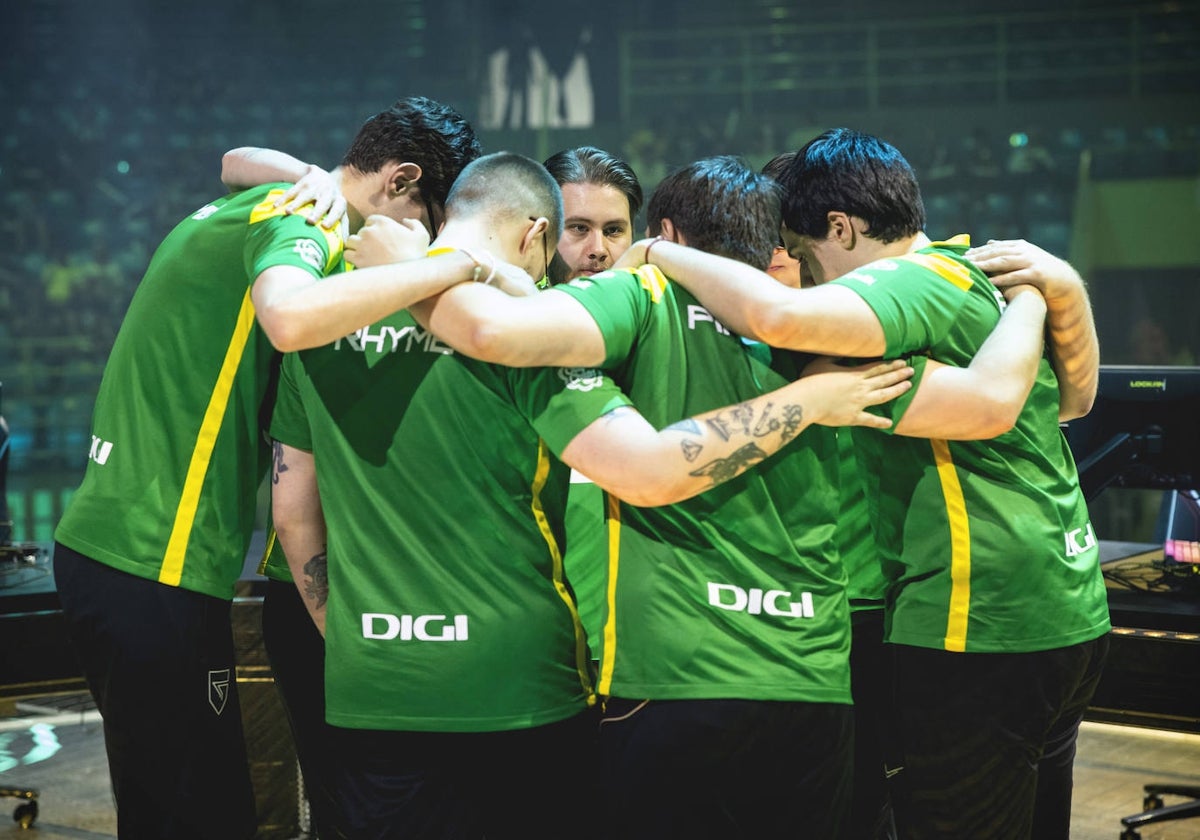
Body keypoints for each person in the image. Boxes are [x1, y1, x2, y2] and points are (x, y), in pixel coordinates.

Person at [349, 153, 1050, 838]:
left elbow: (497, 333)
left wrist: (417, 270)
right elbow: (993, 401)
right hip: (813, 687)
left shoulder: (636, 298)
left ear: (668, 237)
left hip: (671, 683)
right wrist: (1043, 296)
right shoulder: (828, 329)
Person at [630, 129, 1108, 840]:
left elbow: (982, 402)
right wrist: (1051, 292)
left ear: (842, 228)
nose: (793, 265)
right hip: (1067, 608)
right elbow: (1074, 401)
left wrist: (662, 253)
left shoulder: (898, 291)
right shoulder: (973, 278)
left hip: (981, 619)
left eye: (798, 246)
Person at [50, 96, 489, 840]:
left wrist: (309, 171)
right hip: (156, 556)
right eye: (427, 218)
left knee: (177, 812)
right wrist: (445, 267)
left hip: (117, 550)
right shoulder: (305, 223)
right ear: (401, 179)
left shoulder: (273, 196)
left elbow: (232, 160)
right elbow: (288, 316)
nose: (419, 239)